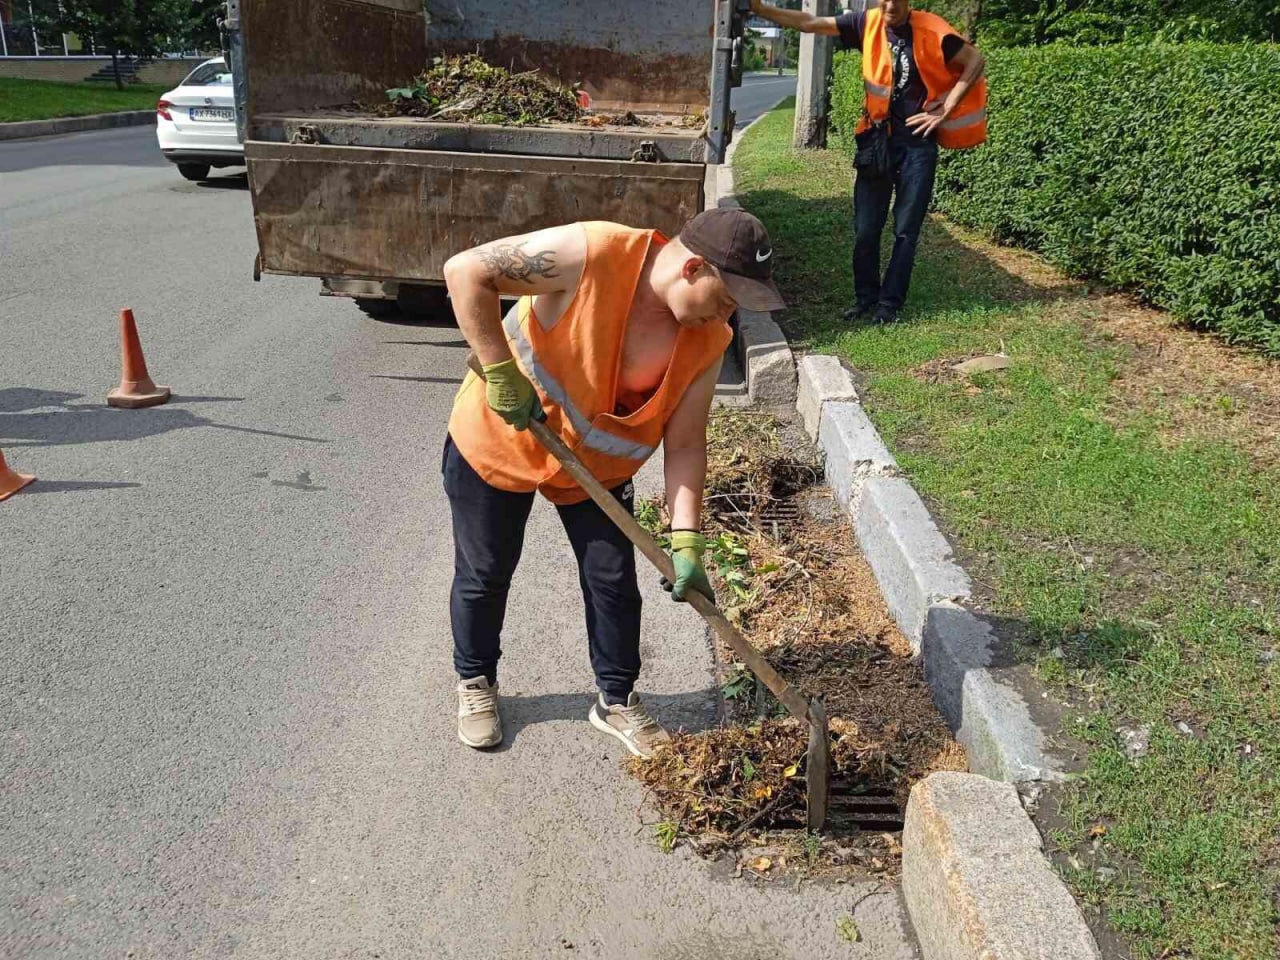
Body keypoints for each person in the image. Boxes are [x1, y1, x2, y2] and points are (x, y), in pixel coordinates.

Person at [441, 209, 786, 758]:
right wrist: (501, 371)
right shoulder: (596, 254)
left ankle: (617, 699)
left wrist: (687, 538)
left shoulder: (709, 341)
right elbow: (465, 272)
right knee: (486, 570)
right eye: (725, 300)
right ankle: (476, 681)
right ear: (693, 267)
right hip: (500, 436)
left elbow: (687, 445)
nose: (727, 316)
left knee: (613, 583)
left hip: (596, 472)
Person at [749, 0, 986, 323]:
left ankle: (890, 304)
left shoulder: (932, 29)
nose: (888, 5)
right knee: (866, 229)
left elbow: (975, 60)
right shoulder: (867, 23)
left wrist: (947, 107)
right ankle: (865, 298)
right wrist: (762, 10)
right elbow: (810, 23)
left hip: (917, 146)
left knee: (906, 231)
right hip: (877, 141)